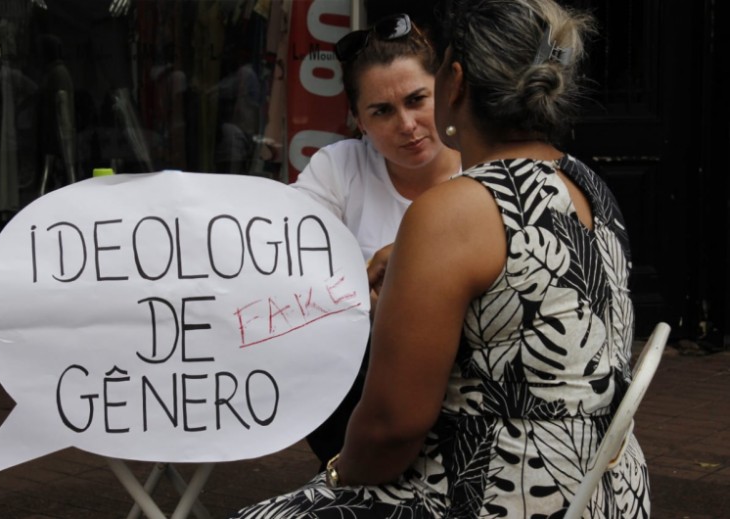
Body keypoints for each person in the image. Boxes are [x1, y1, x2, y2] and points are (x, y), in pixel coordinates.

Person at [229, 0, 650, 517]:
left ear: (453, 82)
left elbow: (392, 429)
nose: (406, 123)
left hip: (500, 491)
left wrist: (336, 476)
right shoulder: (588, 183)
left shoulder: (454, 209)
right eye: (382, 110)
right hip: (607, 486)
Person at [291, 13, 461, 470]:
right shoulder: (338, 167)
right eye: (382, 111)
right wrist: (355, 283)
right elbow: (284, 258)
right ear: (358, 121)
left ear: (446, 91)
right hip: (361, 389)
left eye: (416, 99)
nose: (406, 124)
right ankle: (357, 473)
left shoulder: (483, 170)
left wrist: (405, 269)